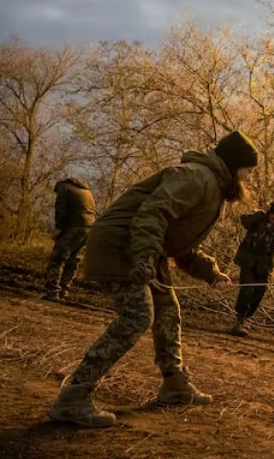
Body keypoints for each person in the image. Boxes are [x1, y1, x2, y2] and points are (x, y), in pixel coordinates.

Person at [49, 130, 259, 428]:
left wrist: (210, 273)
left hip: (143, 247)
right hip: (122, 245)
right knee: (137, 316)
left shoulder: (210, 184)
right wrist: (144, 258)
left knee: (167, 309)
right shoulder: (195, 177)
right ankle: (73, 397)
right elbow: (152, 214)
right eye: (248, 170)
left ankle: (175, 386)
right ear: (235, 165)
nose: (249, 178)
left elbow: (180, 243)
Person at [229, 201, 274, 336]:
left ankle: (247, 318)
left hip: (264, 265)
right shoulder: (258, 219)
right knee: (247, 289)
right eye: (272, 214)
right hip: (248, 261)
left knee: (259, 292)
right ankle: (240, 319)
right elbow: (245, 221)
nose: (273, 217)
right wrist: (261, 213)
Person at [43, 178, 97, 302]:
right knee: (73, 260)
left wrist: (60, 228)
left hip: (75, 227)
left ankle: (52, 292)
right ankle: (63, 291)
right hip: (89, 228)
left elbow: (61, 210)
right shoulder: (85, 190)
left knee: (58, 259)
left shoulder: (63, 188)